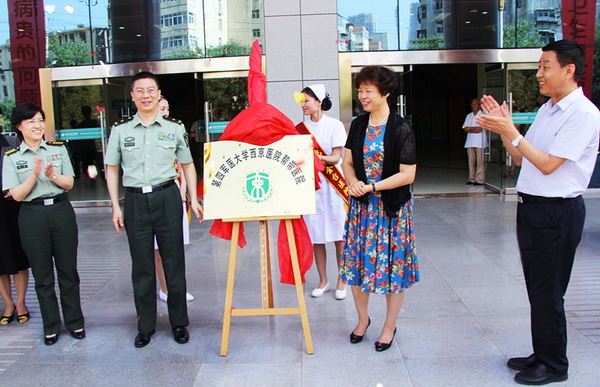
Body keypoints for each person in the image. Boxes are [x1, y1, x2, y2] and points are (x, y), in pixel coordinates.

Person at [476, 39, 600, 385]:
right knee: (537, 288)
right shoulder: (548, 108)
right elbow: (521, 157)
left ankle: (555, 364)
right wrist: (505, 129)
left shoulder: (584, 114)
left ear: (568, 70)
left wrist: (511, 130)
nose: (538, 73)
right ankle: (541, 352)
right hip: (531, 210)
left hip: (556, 213)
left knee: (549, 290)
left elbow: (547, 165)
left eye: (545, 66)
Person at [105, 71, 203, 348]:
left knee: (174, 263)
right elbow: (111, 170)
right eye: (140, 90)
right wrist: (115, 206)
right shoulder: (120, 130)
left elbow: (187, 164)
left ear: (159, 94)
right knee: (142, 266)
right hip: (135, 201)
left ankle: (179, 323)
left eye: (151, 90)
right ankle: (145, 325)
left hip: (167, 197)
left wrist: (193, 198)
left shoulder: (174, 128)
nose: (146, 95)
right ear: (133, 96)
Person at [340, 65, 419, 352]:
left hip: (390, 211)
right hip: (361, 210)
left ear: (385, 93)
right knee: (357, 267)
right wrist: (352, 182)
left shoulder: (400, 128)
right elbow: (347, 162)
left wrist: (372, 186)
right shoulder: (359, 125)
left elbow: (407, 174)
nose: (362, 96)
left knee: (392, 270)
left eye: (368, 91)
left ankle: (389, 325)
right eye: (360, 90)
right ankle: (363, 320)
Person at [2, 103, 85, 345]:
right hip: (32, 215)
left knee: (68, 271)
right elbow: (16, 195)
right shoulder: (11, 158)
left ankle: (75, 322)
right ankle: (51, 325)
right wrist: (33, 174)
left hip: (61, 211)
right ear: (20, 127)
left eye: (40, 120)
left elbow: (69, 183)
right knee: (42, 274)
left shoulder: (58, 150)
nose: (38, 126)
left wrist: (52, 176)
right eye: (31, 122)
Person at [296, 84, 348, 300]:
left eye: (307, 100)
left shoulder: (335, 125)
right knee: (317, 234)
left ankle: (341, 280)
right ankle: (323, 280)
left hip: (334, 187)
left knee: (338, 234)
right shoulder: (298, 128)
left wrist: (314, 158)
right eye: (302, 100)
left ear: (318, 101)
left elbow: (336, 158)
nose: (303, 104)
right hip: (312, 185)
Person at [156, 95, 194, 303]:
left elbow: (183, 163)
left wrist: (184, 190)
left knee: (175, 244)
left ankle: (177, 287)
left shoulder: (175, 131)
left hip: (174, 189)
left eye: (167, 108)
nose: (165, 112)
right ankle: (165, 288)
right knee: (156, 248)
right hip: (152, 192)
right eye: (161, 108)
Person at [1, 132, 30, 326]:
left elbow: (22, 166)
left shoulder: (10, 141)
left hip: (11, 204)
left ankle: (21, 303)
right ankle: (8, 304)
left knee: (17, 255)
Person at [463, 98, 486, 185]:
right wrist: (473, 129)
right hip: (470, 142)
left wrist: (470, 129)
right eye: (472, 104)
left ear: (479, 105)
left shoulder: (482, 115)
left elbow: (480, 129)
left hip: (480, 142)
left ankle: (480, 179)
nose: (473, 106)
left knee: (480, 161)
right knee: (471, 161)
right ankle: (471, 178)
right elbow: (465, 128)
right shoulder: (469, 115)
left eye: (475, 104)